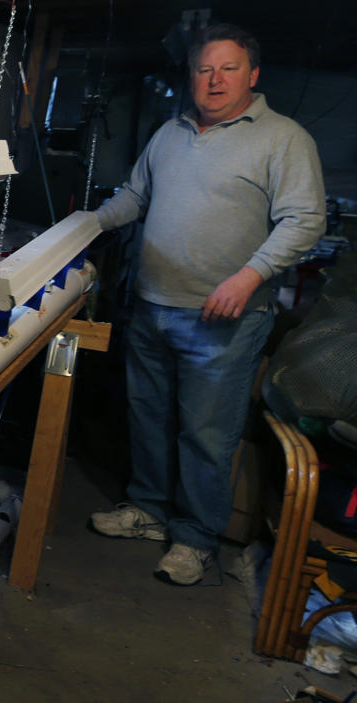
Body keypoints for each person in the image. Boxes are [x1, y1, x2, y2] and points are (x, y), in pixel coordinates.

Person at [90, 23, 326, 585]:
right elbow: (135, 196)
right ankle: (148, 510)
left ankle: (195, 538)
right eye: (204, 69)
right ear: (191, 76)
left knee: (205, 432)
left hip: (224, 317)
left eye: (229, 68)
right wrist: (84, 226)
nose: (215, 80)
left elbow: (305, 220)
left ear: (253, 75)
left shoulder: (283, 138)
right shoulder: (169, 134)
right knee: (147, 417)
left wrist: (250, 276)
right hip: (151, 305)